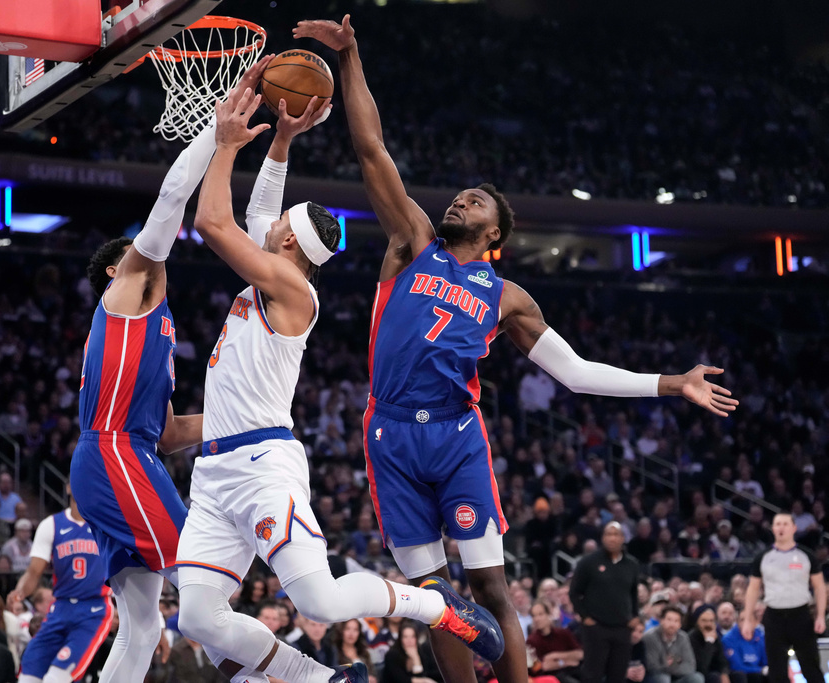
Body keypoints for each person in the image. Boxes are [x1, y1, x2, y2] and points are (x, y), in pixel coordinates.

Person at [293, 15, 738, 683]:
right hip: (389, 434)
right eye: (462, 193)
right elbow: (369, 148)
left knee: (490, 584)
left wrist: (672, 382)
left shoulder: (508, 297)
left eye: (477, 200)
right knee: (433, 600)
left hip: (456, 435)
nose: (462, 196)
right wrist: (351, 55)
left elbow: (578, 374)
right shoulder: (414, 240)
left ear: (494, 230)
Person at [174, 83, 503, 683]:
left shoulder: (292, 290)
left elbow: (213, 220)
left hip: (262, 467)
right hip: (215, 471)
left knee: (320, 602)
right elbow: (257, 214)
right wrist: (281, 139)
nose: (266, 227)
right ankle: (322, 680)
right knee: (195, 616)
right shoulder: (273, 269)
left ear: (290, 241)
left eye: (276, 229)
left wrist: (224, 146)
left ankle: (437, 605)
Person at [68, 61, 275, 683]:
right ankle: (278, 675)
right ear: (116, 270)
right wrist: (217, 134)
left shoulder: (153, 321)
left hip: (130, 451)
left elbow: (163, 431)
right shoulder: (130, 288)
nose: (154, 261)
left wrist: (241, 422)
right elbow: (169, 200)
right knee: (197, 574)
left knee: (145, 624)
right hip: (114, 457)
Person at [7, 485, 112, 683]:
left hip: (93, 609)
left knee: (56, 679)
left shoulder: (107, 522)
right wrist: (20, 591)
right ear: (69, 487)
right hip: (60, 607)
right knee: (27, 676)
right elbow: (33, 571)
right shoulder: (51, 524)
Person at [742, 513, 825, 683]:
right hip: (774, 617)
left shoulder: (806, 555)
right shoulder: (763, 557)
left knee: (811, 668)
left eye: (785, 524)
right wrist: (747, 619)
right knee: (777, 672)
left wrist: (820, 616)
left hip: (801, 616)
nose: (781, 527)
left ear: (794, 528)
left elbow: (819, 587)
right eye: (777, 524)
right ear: (772, 529)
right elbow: (753, 589)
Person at [568, 523, 640, 683]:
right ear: (602, 538)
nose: (612, 538)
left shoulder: (632, 565)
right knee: (592, 675)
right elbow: (574, 592)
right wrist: (585, 617)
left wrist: (635, 615)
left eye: (615, 534)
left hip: (622, 628)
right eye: (608, 534)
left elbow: (633, 593)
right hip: (596, 628)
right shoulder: (588, 562)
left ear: (622, 538)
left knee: (618, 676)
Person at [525, 601, 582, 683]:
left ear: (549, 615)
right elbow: (543, 667)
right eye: (534, 616)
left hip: (572, 672)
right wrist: (566, 662)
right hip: (550, 677)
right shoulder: (531, 641)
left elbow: (579, 654)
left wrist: (554, 656)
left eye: (540, 614)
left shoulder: (563, 633)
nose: (537, 619)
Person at [642, 607, 703, 683]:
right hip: (655, 677)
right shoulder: (650, 637)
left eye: (676, 621)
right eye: (669, 620)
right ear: (662, 621)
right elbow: (652, 666)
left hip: (676, 677)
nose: (672, 624)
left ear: (680, 624)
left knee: (697, 678)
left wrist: (668, 666)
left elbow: (690, 666)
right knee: (664, 679)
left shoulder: (683, 637)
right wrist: (676, 662)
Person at [720, 612, 766, 683]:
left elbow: (765, 662)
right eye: (742, 620)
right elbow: (737, 666)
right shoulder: (728, 639)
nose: (745, 623)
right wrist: (761, 670)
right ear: (737, 622)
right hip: (737, 674)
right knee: (742, 675)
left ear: (756, 622)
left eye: (749, 620)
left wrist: (765, 670)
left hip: (758, 673)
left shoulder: (761, 637)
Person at [689, 606, 730, 683]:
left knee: (738, 674)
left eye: (711, 621)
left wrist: (724, 673)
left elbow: (722, 661)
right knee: (714, 677)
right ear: (697, 621)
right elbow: (701, 668)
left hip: (714, 672)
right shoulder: (691, 638)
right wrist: (709, 642)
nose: (708, 624)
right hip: (698, 674)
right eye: (704, 620)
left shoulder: (716, 636)